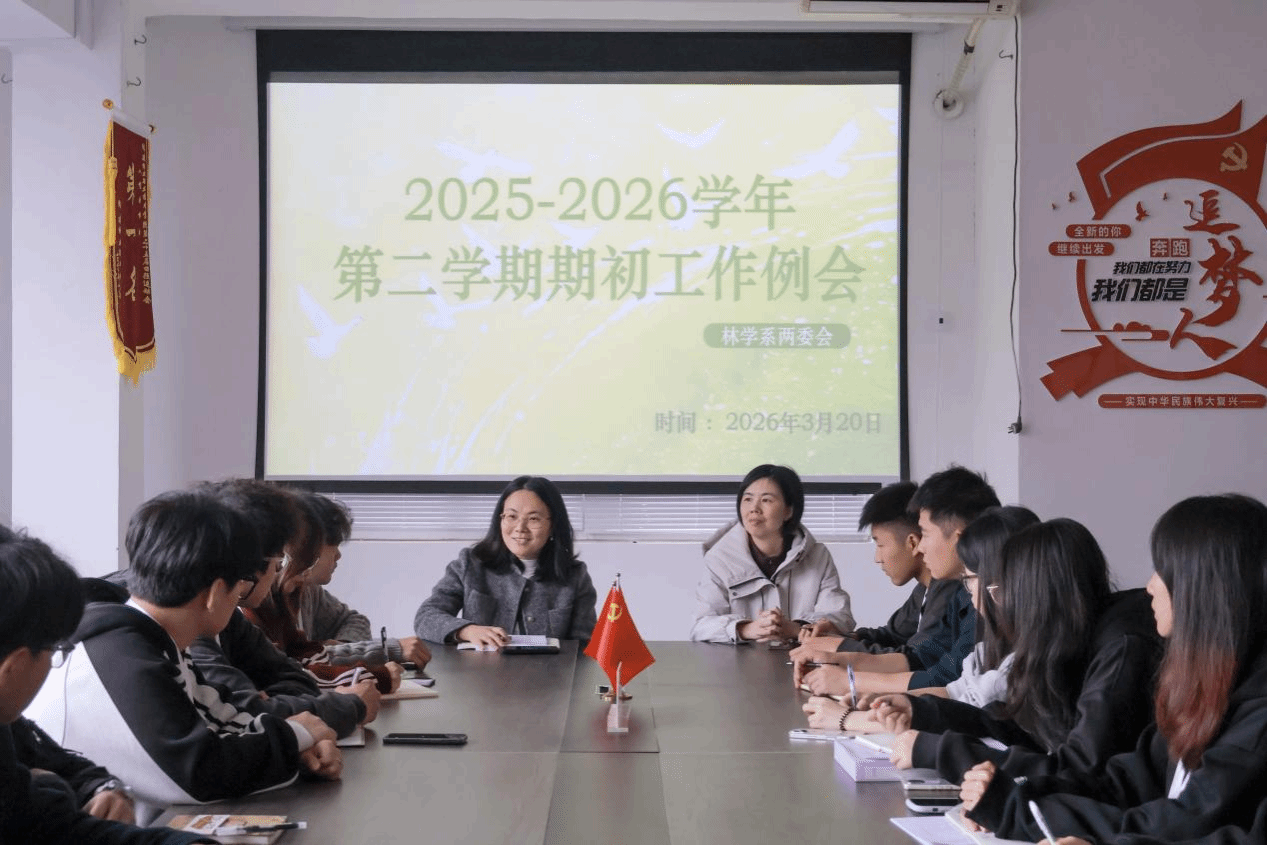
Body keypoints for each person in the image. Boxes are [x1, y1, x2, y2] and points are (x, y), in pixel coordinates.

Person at [959, 494, 1266, 843]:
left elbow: (1182, 824)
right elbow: (1125, 782)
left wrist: (1020, 810)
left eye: (1163, 571)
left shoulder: (1257, 714)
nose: (1150, 586)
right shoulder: (1204, 681)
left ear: (1207, 589)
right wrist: (1020, 796)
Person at [24, 489, 343, 825]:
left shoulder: (156, 640)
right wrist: (297, 734)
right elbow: (198, 771)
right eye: (240, 584)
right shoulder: (119, 651)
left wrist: (298, 747)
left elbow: (219, 722)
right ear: (216, 593)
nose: (241, 595)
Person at [870, 517, 1161, 785]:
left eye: (1001, 591)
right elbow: (1024, 729)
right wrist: (923, 711)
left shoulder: (1121, 652)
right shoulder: (1070, 638)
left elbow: (1078, 771)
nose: (1000, 606)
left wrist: (942, 752)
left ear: (1038, 595)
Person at [1, 523, 214, 844]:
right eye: (56, 648)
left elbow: (53, 811)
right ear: (15, 665)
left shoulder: (9, 725)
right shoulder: (128, 647)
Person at [804, 505, 1039, 733]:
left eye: (925, 534)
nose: (920, 546)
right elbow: (955, 690)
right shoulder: (945, 599)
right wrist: (890, 701)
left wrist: (852, 699)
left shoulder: (1020, 650)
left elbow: (964, 705)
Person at [184, 479, 379, 738]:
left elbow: (297, 679)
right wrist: (350, 706)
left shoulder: (229, 619)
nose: (281, 569)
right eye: (279, 561)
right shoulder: (194, 628)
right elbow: (250, 712)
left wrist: (274, 704)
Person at [794, 465, 998, 695]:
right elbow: (913, 648)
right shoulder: (958, 591)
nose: (920, 546)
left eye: (925, 534)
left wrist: (850, 678)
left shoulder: (979, 595)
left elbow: (941, 675)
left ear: (959, 538)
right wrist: (843, 652)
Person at [415, 476, 598, 648]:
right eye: (511, 516)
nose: (520, 528)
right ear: (500, 519)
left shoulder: (575, 576)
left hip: (551, 671)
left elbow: (584, 647)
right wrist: (467, 631)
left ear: (553, 526)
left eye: (533, 519)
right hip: (480, 670)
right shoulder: (470, 564)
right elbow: (426, 617)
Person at [689, 465, 854, 644]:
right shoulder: (719, 558)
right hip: (741, 660)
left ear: (788, 511)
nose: (754, 508)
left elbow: (841, 617)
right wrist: (746, 629)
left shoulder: (817, 556)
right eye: (748, 499)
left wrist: (794, 628)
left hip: (804, 658)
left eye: (766, 500)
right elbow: (701, 626)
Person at [816, 481, 959, 657]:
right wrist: (843, 636)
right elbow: (893, 636)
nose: (877, 558)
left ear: (912, 542)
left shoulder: (948, 590)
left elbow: (916, 658)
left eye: (880, 545)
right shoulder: (924, 589)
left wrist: (839, 646)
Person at [291, 491, 431, 667]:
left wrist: (344, 647)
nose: (338, 555)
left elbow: (355, 621)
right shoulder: (266, 598)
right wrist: (387, 649)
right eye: (333, 544)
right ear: (307, 544)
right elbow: (294, 662)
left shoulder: (309, 590)